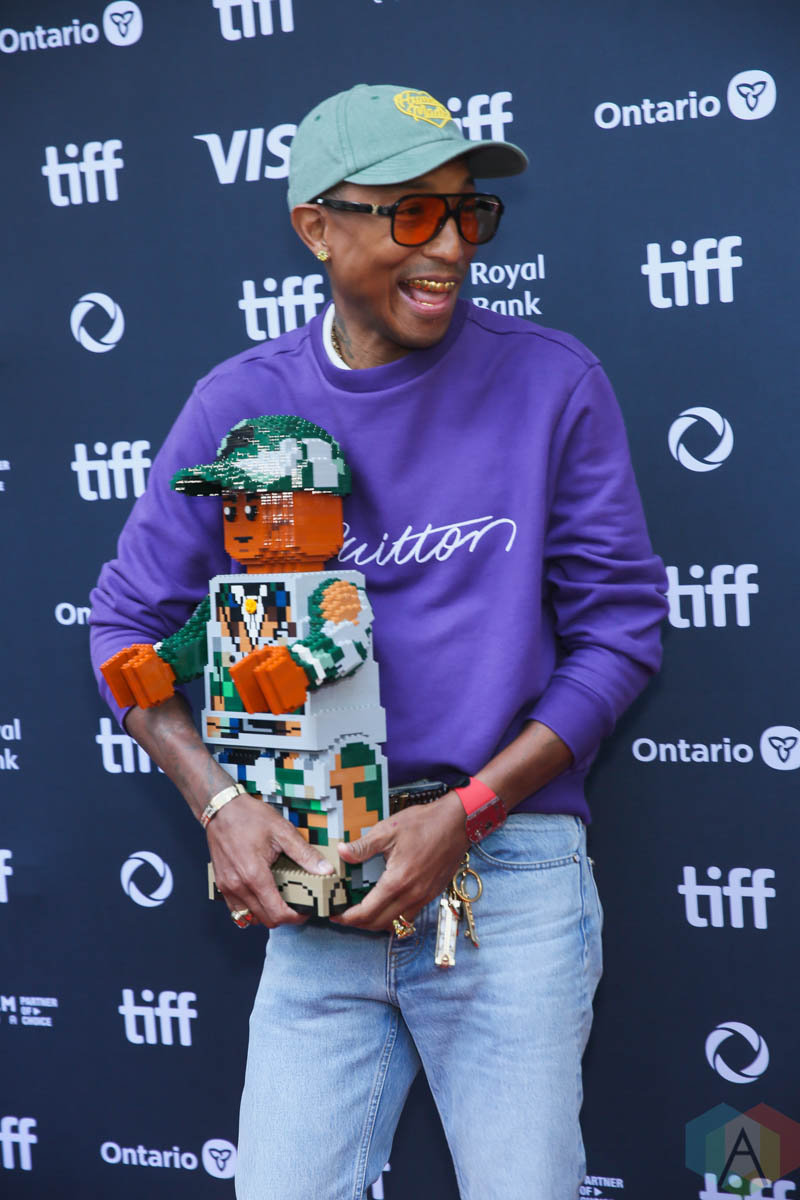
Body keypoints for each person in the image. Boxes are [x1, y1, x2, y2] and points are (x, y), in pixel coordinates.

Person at [90, 83, 668, 1200]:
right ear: (316, 227)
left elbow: (619, 634)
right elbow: (126, 625)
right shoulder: (238, 406)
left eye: (466, 212)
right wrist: (221, 803)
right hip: (317, 881)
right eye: (412, 213)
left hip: (506, 878)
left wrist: (470, 813)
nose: (449, 246)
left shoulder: (553, 381)